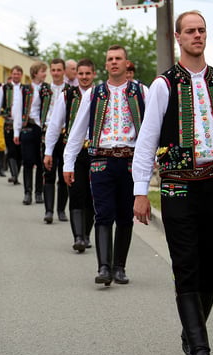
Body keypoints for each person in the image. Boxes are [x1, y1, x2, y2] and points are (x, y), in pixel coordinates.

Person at [132, 10, 213, 355]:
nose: (197, 35)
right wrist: (140, 191)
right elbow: (147, 140)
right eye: (190, 31)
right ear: (178, 37)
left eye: (201, 30)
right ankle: (200, 348)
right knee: (186, 264)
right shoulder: (164, 85)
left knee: (211, 265)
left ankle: (191, 332)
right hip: (177, 186)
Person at [64, 45, 146, 286]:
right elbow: (78, 129)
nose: (114, 62)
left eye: (118, 58)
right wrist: (68, 162)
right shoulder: (95, 93)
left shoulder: (141, 91)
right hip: (101, 159)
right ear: (106, 64)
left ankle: (119, 267)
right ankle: (103, 267)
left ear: (126, 63)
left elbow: (152, 126)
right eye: (110, 59)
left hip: (130, 160)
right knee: (103, 213)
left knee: (125, 215)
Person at [52, 58, 96, 252]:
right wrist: (48, 151)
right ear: (76, 75)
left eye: (88, 73)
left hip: (96, 152)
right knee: (76, 192)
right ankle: (78, 236)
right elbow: (55, 124)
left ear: (94, 74)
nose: (84, 77)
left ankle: (86, 234)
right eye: (81, 73)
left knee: (91, 196)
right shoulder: (68, 95)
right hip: (74, 151)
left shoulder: (100, 94)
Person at [12, 61, 51, 205]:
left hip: (42, 128)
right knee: (28, 161)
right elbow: (17, 109)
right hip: (28, 126)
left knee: (40, 161)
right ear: (35, 73)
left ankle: (38, 192)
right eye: (42, 71)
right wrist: (16, 131)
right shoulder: (24, 89)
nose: (45, 74)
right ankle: (27, 192)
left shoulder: (47, 88)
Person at [41, 58, 69, 224]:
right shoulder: (44, 90)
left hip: (65, 135)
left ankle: (61, 210)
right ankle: (49, 211)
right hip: (48, 134)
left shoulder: (70, 90)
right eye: (54, 70)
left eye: (59, 70)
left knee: (64, 173)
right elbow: (35, 108)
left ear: (64, 71)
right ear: (50, 71)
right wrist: (41, 124)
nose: (56, 73)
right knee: (49, 173)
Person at [0, 65, 23, 185]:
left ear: (21, 75)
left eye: (18, 74)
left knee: (20, 151)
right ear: (11, 75)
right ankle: (14, 175)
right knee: (11, 149)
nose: (16, 76)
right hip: (8, 121)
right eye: (14, 74)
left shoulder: (25, 88)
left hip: (21, 123)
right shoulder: (4, 87)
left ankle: (16, 174)